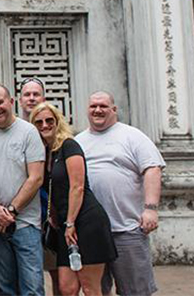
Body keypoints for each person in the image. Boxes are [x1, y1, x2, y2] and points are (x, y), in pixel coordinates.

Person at [75, 91, 165, 296]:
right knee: (96, 291)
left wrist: (151, 209)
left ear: (114, 110)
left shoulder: (132, 136)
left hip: (128, 228)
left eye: (103, 106)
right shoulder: (78, 141)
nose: (98, 110)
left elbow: (152, 168)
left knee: (135, 290)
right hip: (92, 232)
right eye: (93, 106)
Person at [30, 102, 117, 296]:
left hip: (85, 220)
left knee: (90, 287)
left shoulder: (69, 145)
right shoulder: (44, 153)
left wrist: (70, 222)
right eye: (39, 122)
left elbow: (77, 187)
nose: (45, 125)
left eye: (49, 120)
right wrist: (54, 215)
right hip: (64, 224)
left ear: (57, 121)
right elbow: (50, 187)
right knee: (66, 287)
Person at [0, 84, 46, 295]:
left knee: (32, 287)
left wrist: (11, 211)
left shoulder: (29, 132)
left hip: (25, 223)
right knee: (4, 287)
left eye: (0, 102)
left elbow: (36, 177)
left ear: (11, 102)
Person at [17, 77, 58, 291]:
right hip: (22, 215)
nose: (31, 99)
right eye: (27, 94)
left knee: (58, 274)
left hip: (52, 216)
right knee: (24, 274)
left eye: (36, 94)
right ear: (19, 99)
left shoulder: (55, 134)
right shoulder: (14, 129)